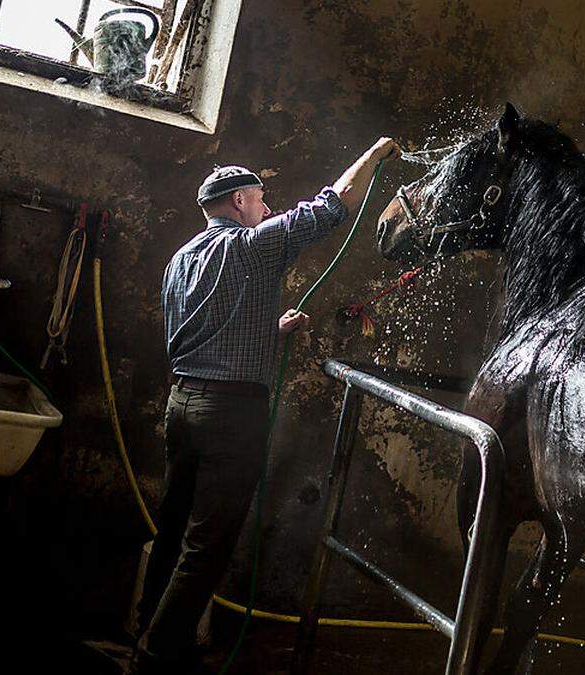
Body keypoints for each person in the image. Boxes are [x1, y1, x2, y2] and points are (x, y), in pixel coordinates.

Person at [131, 136, 402, 673]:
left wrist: (271, 329)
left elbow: (204, 331)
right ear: (238, 203)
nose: (268, 208)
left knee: (174, 527)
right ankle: (154, 661)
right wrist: (376, 153)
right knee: (207, 547)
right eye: (261, 199)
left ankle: (146, 627)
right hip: (231, 418)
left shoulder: (181, 259)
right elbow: (335, 202)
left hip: (182, 404)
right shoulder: (253, 246)